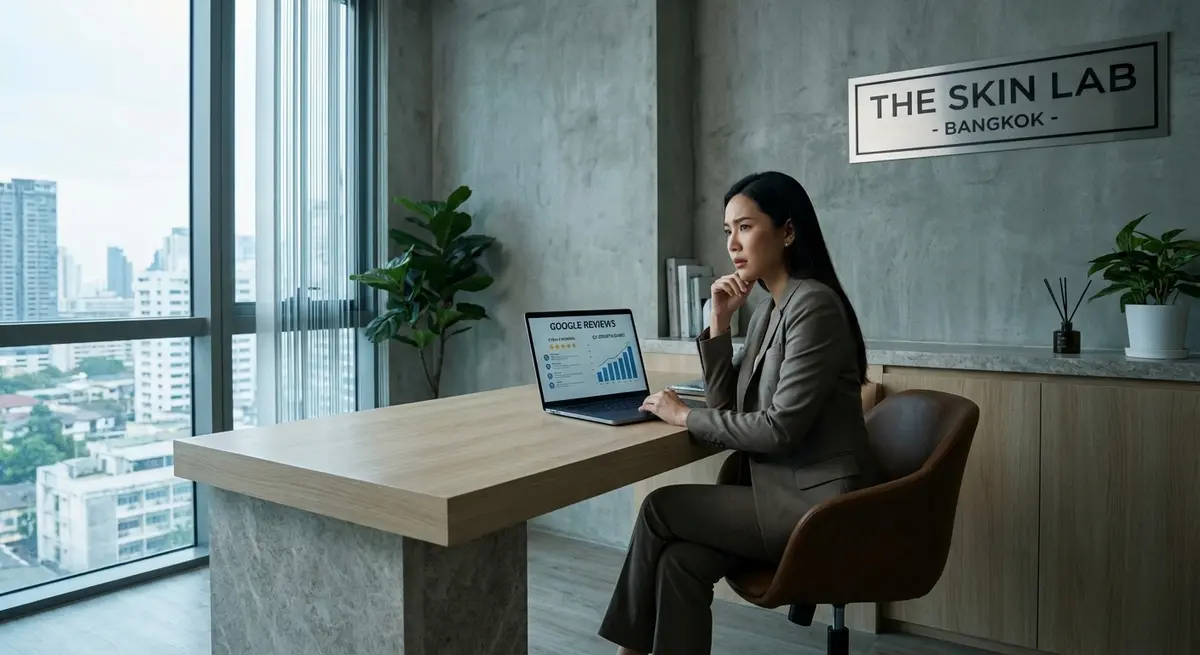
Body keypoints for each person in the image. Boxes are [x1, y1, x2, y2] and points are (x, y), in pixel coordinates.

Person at [597, 171, 881, 655]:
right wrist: (720, 322)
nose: (732, 243)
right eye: (728, 230)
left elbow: (779, 430)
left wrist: (684, 417)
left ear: (788, 231)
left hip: (816, 506)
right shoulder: (770, 309)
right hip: (774, 494)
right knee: (679, 562)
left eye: (745, 227)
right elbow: (729, 411)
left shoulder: (814, 305)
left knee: (659, 507)